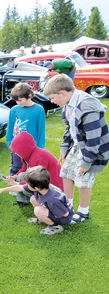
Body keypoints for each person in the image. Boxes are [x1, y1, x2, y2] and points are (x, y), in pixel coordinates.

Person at [43, 74, 109, 222]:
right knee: (66, 174)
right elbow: (70, 127)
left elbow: (94, 138)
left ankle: (84, 212)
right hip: (77, 145)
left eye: (53, 98)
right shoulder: (68, 104)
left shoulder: (87, 106)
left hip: (92, 150)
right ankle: (68, 206)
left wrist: (86, 163)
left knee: (83, 180)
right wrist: (64, 148)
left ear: (62, 93)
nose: (52, 102)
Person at [0, 166, 74, 235]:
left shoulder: (52, 199)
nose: (26, 185)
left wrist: (49, 213)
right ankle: (42, 219)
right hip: (55, 209)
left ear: (36, 188)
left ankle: (55, 226)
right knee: (33, 199)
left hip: (63, 217)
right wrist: (3, 190)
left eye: (28, 184)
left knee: (38, 210)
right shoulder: (42, 187)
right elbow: (19, 188)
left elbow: (66, 214)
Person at [7, 131, 63, 206]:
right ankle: (23, 201)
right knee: (21, 175)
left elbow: (36, 180)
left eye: (17, 150)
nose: (16, 153)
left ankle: (42, 203)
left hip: (53, 186)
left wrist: (18, 184)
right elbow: (24, 168)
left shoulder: (38, 158)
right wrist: (15, 176)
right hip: (44, 182)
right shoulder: (28, 154)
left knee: (24, 183)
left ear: (24, 148)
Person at [6, 82, 46, 176]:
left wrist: (40, 148)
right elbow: (10, 127)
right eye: (16, 101)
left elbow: (41, 130)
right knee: (16, 169)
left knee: (31, 171)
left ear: (29, 96)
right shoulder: (14, 109)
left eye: (20, 100)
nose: (18, 103)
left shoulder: (39, 109)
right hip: (17, 147)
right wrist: (9, 142)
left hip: (32, 148)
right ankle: (14, 189)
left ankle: (28, 189)